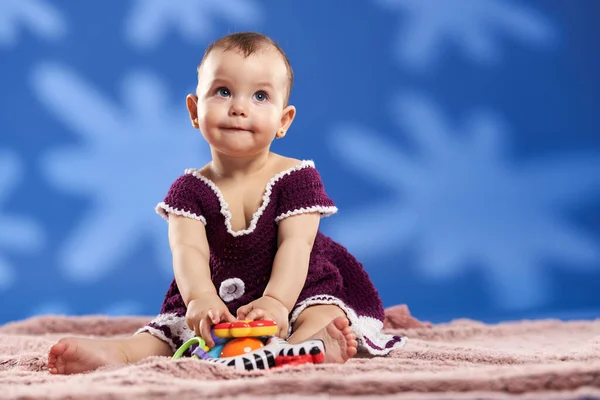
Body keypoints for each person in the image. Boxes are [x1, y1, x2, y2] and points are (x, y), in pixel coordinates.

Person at [47, 31, 406, 375]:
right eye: (223, 91)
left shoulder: (297, 178)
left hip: (296, 286)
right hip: (216, 296)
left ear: (283, 121)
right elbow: (187, 251)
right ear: (193, 110)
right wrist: (201, 297)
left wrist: (277, 303)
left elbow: (297, 246)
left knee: (321, 310)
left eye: (260, 97)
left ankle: (305, 345)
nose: (238, 107)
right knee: (166, 337)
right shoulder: (189, 190)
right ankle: (118, 352)